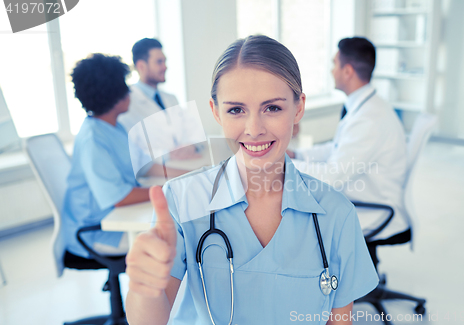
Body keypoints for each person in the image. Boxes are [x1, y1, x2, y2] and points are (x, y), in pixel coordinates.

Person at [125, 35, 379, 325]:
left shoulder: (336, 214)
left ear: (298, 108)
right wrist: (144, 287)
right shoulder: (182, 200)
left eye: (272, 108)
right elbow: (148, 321)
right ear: (215, 112)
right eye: (236, 110)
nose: (254, 129)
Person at [63, 54, 187, 258]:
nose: (129, 91)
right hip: (100, 230)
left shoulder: (115, 127)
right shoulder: (92, 139)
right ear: (113, 95)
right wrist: (169, 191)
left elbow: (146, 166)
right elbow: (120, 198)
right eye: (124, 86)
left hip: (119, 216)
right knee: (174, 237)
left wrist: (190, 175)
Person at [288, 37, 408, 245]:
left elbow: (330, 178)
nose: (331, 71)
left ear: (348, 71)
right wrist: (297, 155)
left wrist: (281, 163)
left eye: (335, 64)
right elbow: (337, 148)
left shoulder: (368, 120)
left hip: (371, 208)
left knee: (294, 217)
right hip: (364, 195)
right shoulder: (367, 107)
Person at [118, 38, 203, 161]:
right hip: (153, 173)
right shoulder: (127, 103)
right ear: (141, 66)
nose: (165, 67)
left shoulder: (171, 99)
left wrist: (192, 145)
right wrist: (167, 154)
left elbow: (194, 129)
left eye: (165, 61)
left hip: (181, 165)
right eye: (159, 62)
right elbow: (131, 149)